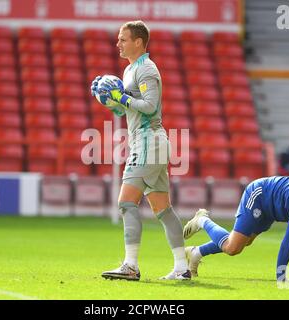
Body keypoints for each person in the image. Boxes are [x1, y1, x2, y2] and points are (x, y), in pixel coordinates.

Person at [90, 21, 191, 280]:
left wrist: (121, 97)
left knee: (126, 203)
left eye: (123, 39)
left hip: (148, 142)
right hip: (151, 142)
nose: (118, 44)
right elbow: (130, 109)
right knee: (164, 210)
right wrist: (110, 102)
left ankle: (131, 266)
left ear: (138, 42)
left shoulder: (146, 69)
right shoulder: (129, 70)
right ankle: (182, 268)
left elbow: (149, 106)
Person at [183, 176, 289, 281]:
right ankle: (202, 220)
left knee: (244, 242)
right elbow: (287, 243)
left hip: (273, 208)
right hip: (260, 195)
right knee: (232, 248)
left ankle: (195, 252)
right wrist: (281, 278)